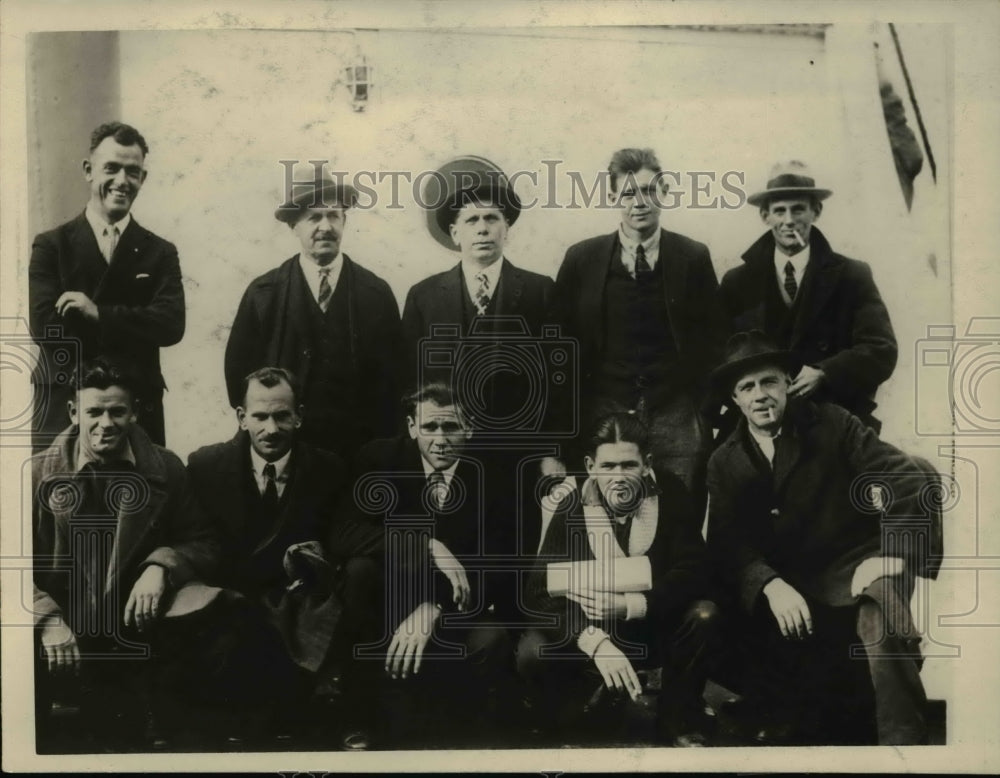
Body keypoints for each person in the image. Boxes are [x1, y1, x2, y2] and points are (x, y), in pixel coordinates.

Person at [705, 331, 942, 745]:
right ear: (735, 399)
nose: (760, 395)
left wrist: (890, 556)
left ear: (787, 384)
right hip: (789, 582)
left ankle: (904, 742)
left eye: (769, 382)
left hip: (854, 564)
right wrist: (770, 584)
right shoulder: (724, 460)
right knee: (722, 610)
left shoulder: (832, 422)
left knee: (879, 606)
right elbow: (729, 543)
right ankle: (778, 711)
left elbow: (908, 477)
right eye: (747, 387)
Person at [187, 367, 385, 748]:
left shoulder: (328, 468)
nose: (271, 429)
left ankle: (350, 715)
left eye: (282, 416)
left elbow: (342, 535)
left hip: (304, 596)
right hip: (240, 598)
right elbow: (197, 538)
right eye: (260, 416)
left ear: (299, 416)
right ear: (242, 417)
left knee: (362, 575)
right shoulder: (206, 467)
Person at [32, 359, 217, 749]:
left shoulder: (166, 467)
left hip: (136, 627)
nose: (106, 423)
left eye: (117, 411)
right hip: (66, 628)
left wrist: (161, 565)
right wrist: (46, 618)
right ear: (73, 413)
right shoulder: (35, 474)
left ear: (134, 413)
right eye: (94, 412)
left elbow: (202, 542)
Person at [518, 412, 721, 747]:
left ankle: (678, 716)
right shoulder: (572, 506)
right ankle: (578, 707)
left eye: (629, 465)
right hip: (598, 631)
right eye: (608, 466)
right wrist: (593, 641)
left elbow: (694, 570)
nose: (618, 477)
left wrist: (632, 604)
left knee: (704, 614)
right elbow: (538, 591)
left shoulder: (670, 492)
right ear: (590, 466)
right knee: (533, 651)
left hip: (654, 624)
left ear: (647, 463)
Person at [548, 147, 725, 516]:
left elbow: (714, 339)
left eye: (648, 190)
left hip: (676, 414)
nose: (639, 202)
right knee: (606, 516)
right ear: (613, 197)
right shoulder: (582, 258)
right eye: (628, 193)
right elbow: (559, 348)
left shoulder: (692, 256)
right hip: (605, 410)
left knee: (681, 515)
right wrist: (567, 428)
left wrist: (702, 412)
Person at [346, 382, 517, 745]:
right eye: (429, 427)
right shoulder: (379, 459)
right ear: (412, 427)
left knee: (492, 639)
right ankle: (360, 715)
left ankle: (458, 723)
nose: (440, 440)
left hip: (454, 611)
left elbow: (498, 568)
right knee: (358, 573)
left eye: (451, 427)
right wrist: (424, 544)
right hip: (388, 608)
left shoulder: (494, 476)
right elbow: (346, 533)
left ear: (469, 428)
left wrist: (434, 606)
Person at [224, 170, 401, 460]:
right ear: (294, 225)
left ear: (345, 221)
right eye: (314, 217)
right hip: (289, 451)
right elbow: (238, 375)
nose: (325, 227)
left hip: (358, 451)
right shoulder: (264, 293)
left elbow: (395, 380)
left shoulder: (375, 293)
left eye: (333, 216)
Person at [29, 121, 185, 448]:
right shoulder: (51, 246)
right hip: (64, 405)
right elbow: (45, 327)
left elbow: (170, 324)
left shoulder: (160, 252)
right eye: (111, 168)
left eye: (132, 172)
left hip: (136, 409)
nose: (122, 181)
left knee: (139, 481)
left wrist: (98, 313)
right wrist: (133, 326)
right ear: (89, 171)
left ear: (143, 178)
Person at [718, 161, 898, 431]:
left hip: (833, 417)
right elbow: (719, 354)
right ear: (765, 216)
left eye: (798, 209)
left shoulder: (852, 275)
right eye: (779, 210)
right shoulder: (737, 282)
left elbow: (881, 350)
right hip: (760, 422)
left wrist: (825, 372)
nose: (789, 220)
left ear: (816, 211)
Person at [402, 156, 553, 434]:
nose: (483, 228)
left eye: (491, 218)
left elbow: (556, 378)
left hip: (517, 440)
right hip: (447, 441)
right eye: (472, 220)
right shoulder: (423, 297)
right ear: (455, 233)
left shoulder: (541, 291)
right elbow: (411, 379)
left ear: (506, 228)